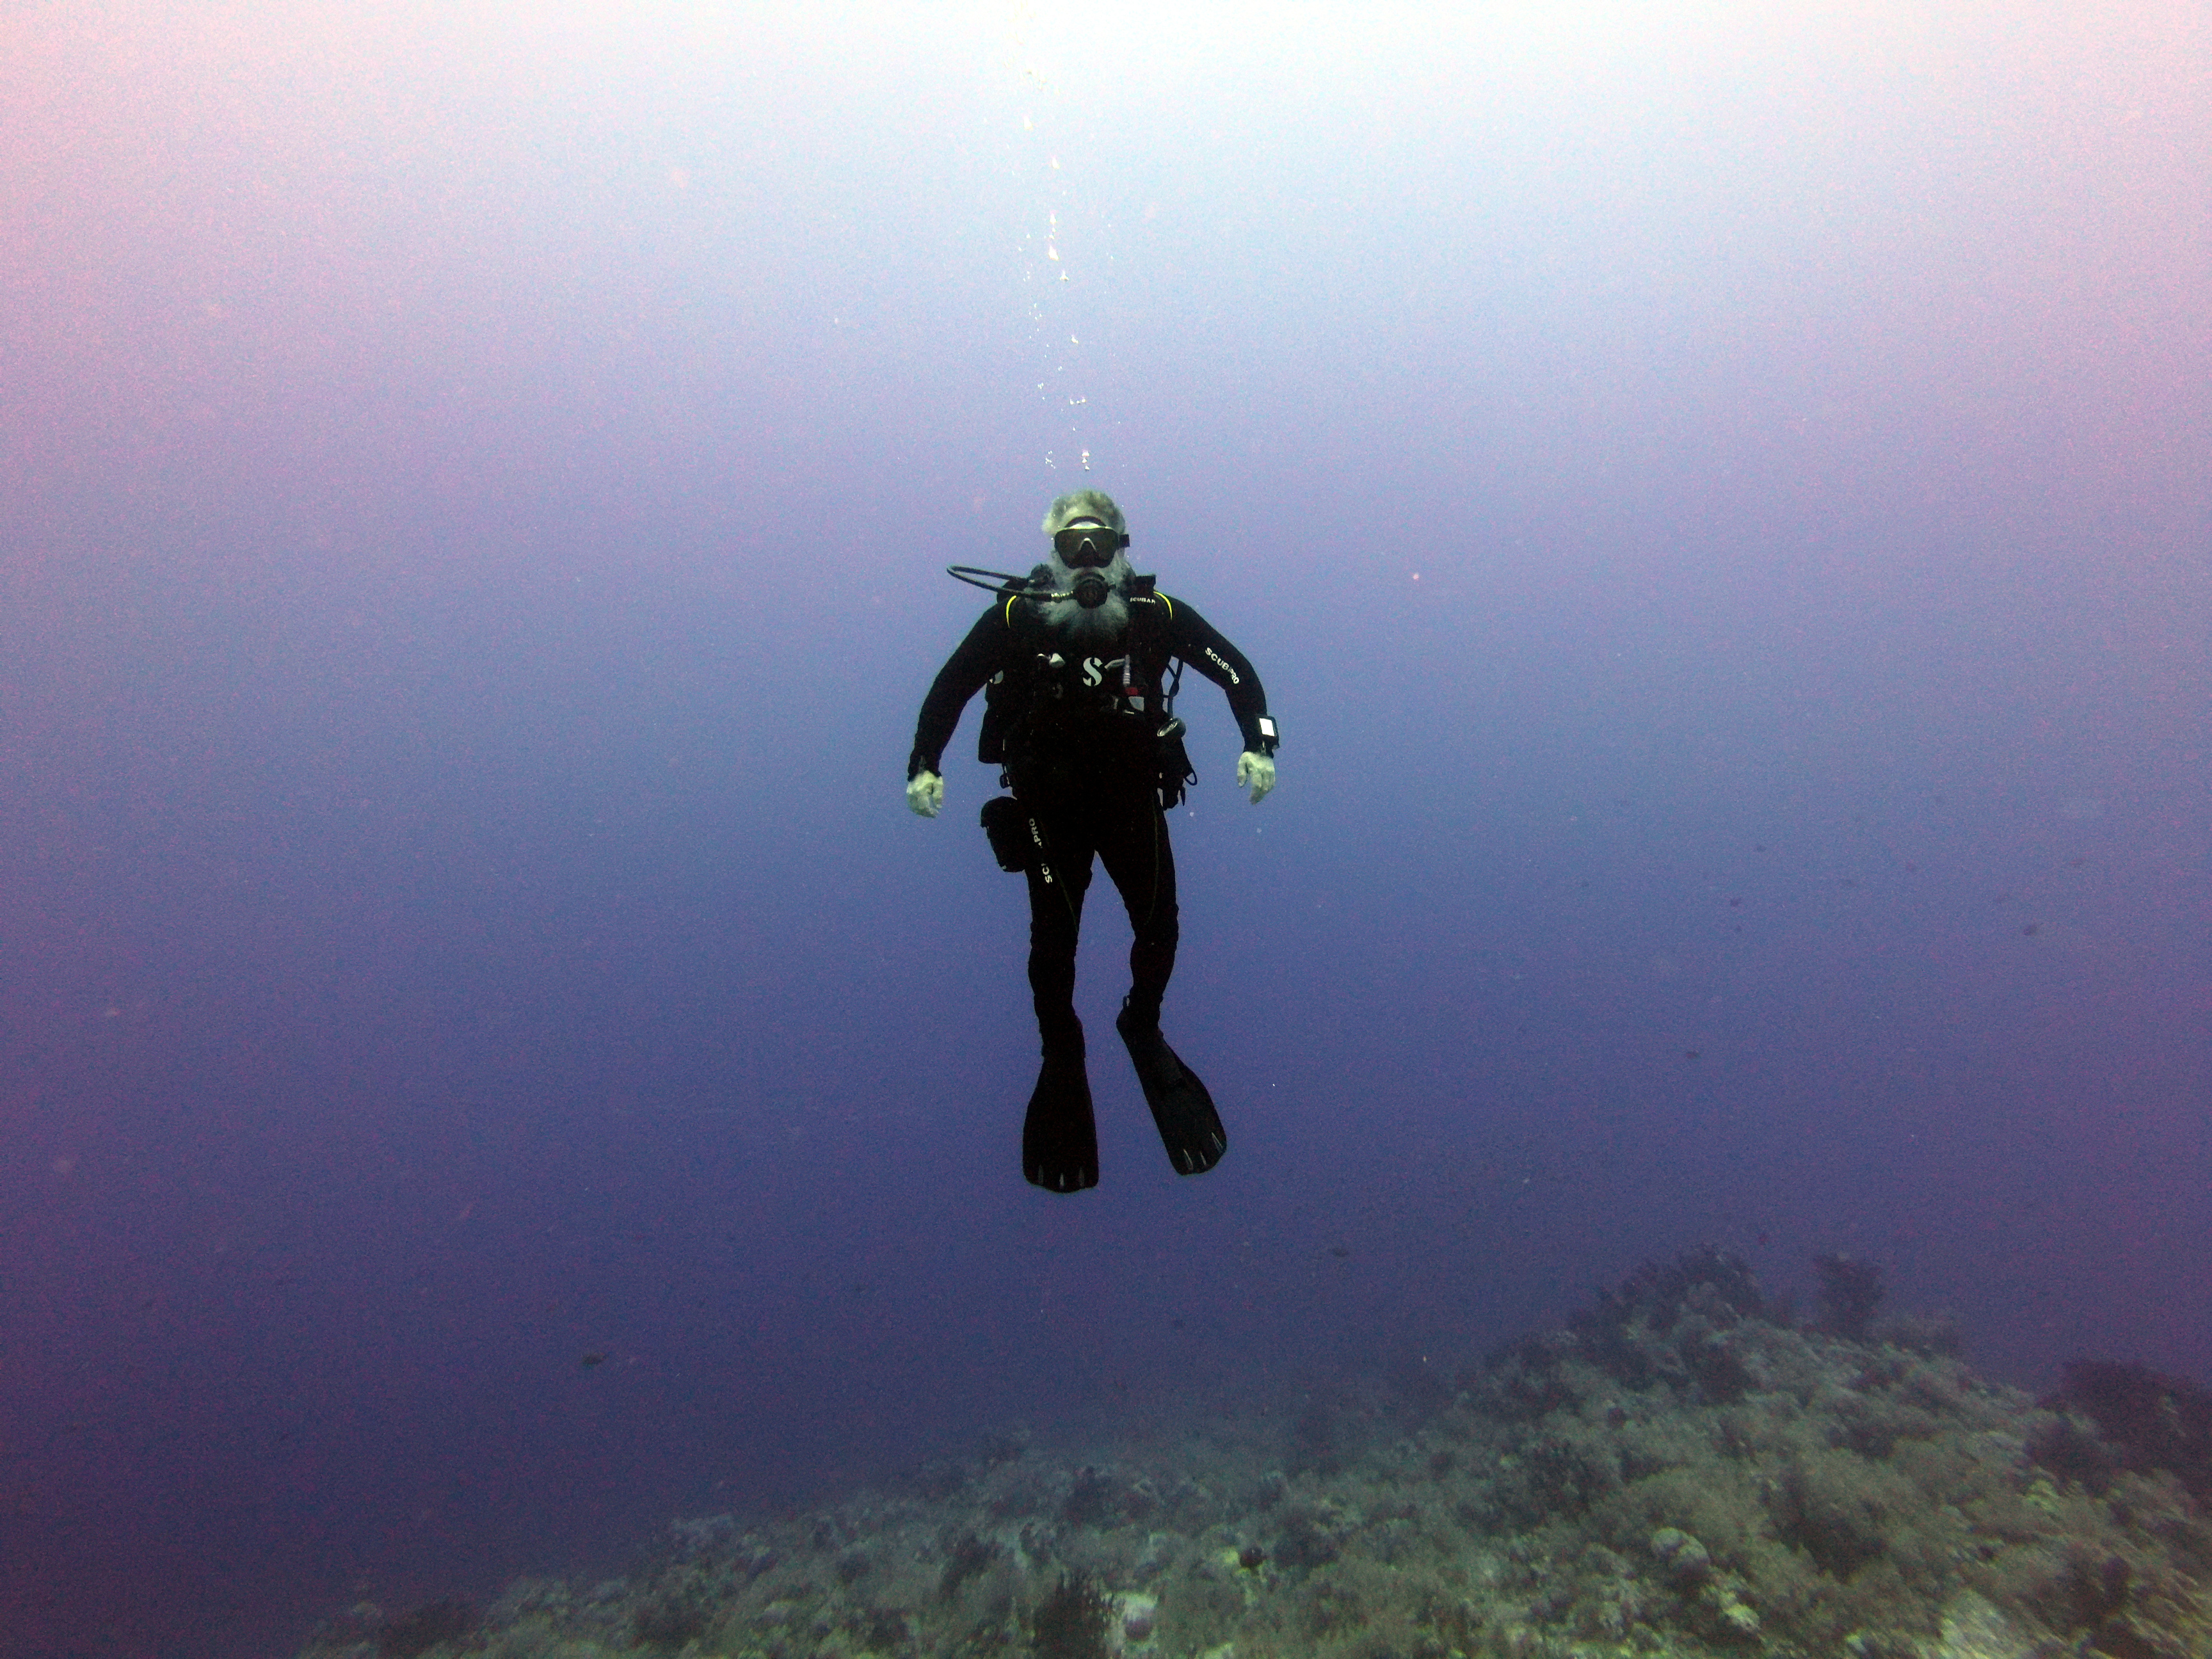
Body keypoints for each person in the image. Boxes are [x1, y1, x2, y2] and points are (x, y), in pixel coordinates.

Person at [906, 489, 1279, 1192]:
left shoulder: (1154, 617)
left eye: (1098, 545)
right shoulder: (1017, 617)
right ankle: (1061, 1051)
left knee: (1161, 926)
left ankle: (1141, 1024)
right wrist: (922, 762)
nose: (1086, 559)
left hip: (1131, 801)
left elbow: (1237, 672)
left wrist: (1260, 743)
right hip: (1050, 805)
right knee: (1054, 944)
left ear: (1120, 551)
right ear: (1053, 552)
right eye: (1072, 545)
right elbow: (949, 689)